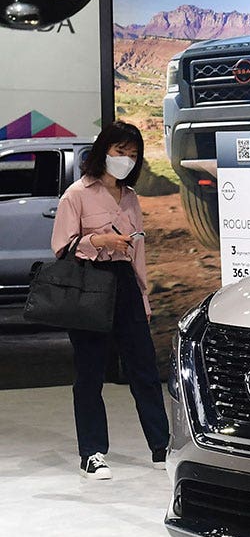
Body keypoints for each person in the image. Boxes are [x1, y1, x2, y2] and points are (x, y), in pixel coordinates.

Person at [50, 120, 169, 480]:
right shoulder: (76, 194)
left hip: (126, 285)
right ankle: (92, 453)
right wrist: (98, 241)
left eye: (132, 154)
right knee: (90, 373)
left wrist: (143, 297)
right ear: (103, 151)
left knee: (145, 370)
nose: (125, 160)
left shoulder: (131, 197)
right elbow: (61, 248)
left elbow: (138, 254)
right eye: (120, 151)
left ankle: (161, 447)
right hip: (90, 284)